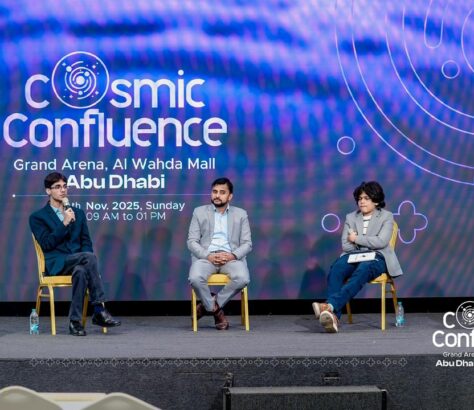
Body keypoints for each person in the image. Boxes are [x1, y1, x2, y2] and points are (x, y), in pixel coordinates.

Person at [29, 172, 121, 336]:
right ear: (48, 191)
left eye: (65, 186)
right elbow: (47, 244)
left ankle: (75, 323)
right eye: (57, 187)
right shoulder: (37, 217)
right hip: (57, 263)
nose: (62, 190)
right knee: (88, 258)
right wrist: (64, 223)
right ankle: (99, 309)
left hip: (79, 262)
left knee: (81, 271)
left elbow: (86, 242)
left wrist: (87, 261)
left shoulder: (78, 213)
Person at [312, 181, 403, 333]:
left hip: (378, 257)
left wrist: (356, 239)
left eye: (366, 198)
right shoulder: (351, 217)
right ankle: (333, 317)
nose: (362, 201)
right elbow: (346, 246)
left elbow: (381, 242)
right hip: (354, 255)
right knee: (337, 268)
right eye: (360, 198)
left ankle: (330, 306)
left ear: (376, 200)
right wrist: (367, 242)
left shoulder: (386, 216)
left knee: (364, 269)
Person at [187, 177, 252, 330]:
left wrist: (232, 255)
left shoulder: (241, 214)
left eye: (222, 192)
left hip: (231, 258)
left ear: (230, 196)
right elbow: (192, 241)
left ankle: (208, 306)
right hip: (206, 258)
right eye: (214, 191)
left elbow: (247, 244)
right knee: (195, 278)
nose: (217, 195)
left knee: (243, 278)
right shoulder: (199, 212)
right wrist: (207, 255)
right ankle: (216, 310)